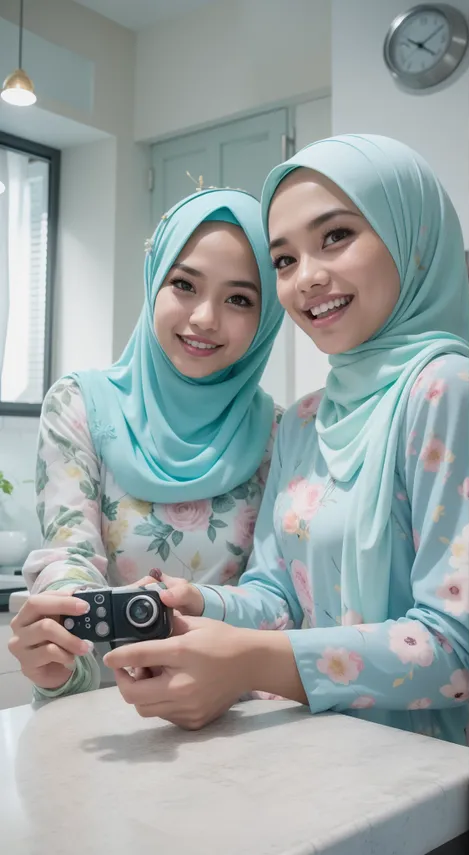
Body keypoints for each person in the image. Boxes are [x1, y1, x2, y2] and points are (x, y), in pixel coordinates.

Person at [104, 135, 469, 744]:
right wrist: (200, 602)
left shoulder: (446, 391)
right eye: (284, 260)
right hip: (314, 759)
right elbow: (275, 592)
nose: (307, 278)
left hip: (425, 785)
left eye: (336, 236)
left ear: (412, 236)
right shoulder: (304, 420)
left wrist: (252, 661)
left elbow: (456, 647)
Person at [9, 188, 284, 700]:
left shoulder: (277, 432)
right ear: (154, 280)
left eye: (239, 299)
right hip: (100, 710)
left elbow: (276, 596)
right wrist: (61, 653)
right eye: (184, 285)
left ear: (268, 318)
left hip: (235, 712)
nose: (204, 317)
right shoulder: (79, 405)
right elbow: (69, 556)